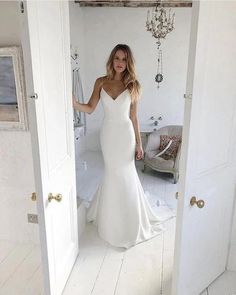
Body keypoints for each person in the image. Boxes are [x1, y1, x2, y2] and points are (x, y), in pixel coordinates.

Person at [72, 44, 164, 249]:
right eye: (117, 58)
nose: (120, 63)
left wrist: (140, 144)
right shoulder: (100, 82)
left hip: (125, 136)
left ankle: (130, 221)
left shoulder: (133, 85)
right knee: (112, 173)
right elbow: (89, 108)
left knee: (126, 173)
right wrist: (73, 102)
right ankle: (110, 220)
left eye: (124, 59)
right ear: (112, 60)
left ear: (128, 62)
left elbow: (134, 117)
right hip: (109, 135)